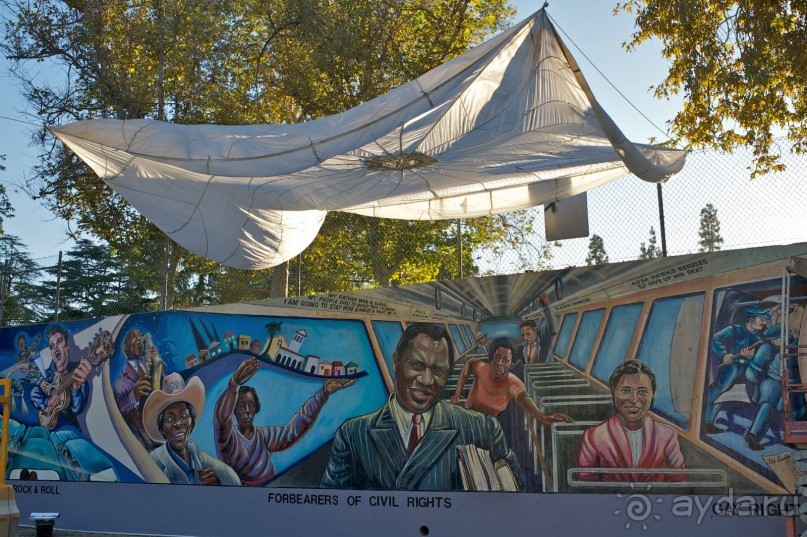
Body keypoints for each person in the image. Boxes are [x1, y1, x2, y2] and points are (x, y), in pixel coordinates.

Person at [320, 323, 524, 491]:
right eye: (417, 366)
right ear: (395, 362)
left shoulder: (482, 428)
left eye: (438, 370)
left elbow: (519, 496)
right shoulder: (353, 436)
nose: (427, 380)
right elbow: (330, 512)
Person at [450, 339, 572, 491]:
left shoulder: (513, 383)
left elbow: (523, 398)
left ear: (511, 362)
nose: (500, 363)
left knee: (505, 457)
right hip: (468, 420)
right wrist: (457, 392)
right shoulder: (481, 368)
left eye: (505, 360)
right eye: (497, 357)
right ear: (492, 357)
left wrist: (543, 418)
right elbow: (469, 363)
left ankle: (520, 487)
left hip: (490, 425)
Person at [215, 357, 356, 486]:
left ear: (256, 408)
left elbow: (293, 430)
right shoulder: (228, 439)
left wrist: (323, 394)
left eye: (251, 405)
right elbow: (221, 419)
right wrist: (234, 384)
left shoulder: (263, 436)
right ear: (233, 410)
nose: (247, 410)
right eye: (241, 406)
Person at [577, 360, 685, 482]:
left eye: (642, 392)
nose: (634, 399)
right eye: (626, 391)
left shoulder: (667, 435)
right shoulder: (594, 437)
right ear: (614, 393)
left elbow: (677, 481)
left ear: (652, 395)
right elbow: (586, 484)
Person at [143, 374, 240, 485]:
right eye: (169, 418)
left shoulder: (196, 455)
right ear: (162, 428)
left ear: (191, 421)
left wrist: (217, 484)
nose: (178, 423)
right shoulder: (154, 462)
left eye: (184, 415)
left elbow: (233, 480)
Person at [703, 306, 769, 434]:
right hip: (732, 367)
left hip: (746, 369)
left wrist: (751, 356)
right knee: (718, 391)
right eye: (762, 319)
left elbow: (757, 355)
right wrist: (724, 354)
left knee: (733, 395)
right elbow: (714, 338)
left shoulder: (758, 337)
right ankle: (706, 422)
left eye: (765, 320)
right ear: (751, 319)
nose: (764, 323)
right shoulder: (734, 329)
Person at [744, 324, 805, 450]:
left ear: (783, 337)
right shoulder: (768, 348)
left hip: (794, 385)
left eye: (774, 339)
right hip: (773, 382)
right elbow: (753, 372)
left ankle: (794, 438)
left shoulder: (799, 346)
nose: (772, 341)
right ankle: (753, 435)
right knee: (767, 407)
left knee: (797, 411)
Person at [30, 324, 92, 431]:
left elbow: (77, 409)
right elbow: (34, 393)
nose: (55, 348)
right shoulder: (48, 374)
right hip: (48, 427)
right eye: (52, 346)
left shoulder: (77, 370)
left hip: (69, 428)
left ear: (67, 345)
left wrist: (76, 388)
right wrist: (48, 402)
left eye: (59, 342)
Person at [114, 329, 164, 451]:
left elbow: (167, 385)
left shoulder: (151, 363)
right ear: (125, 347)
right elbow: (116, 415)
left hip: (163, 429)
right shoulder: (119, 383)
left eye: (140, 335)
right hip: (144, 440)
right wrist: (134, 395)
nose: (138, 338)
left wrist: (157, 365)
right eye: (133, 335)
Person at [518, 293, 558, 365]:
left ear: (535, 330)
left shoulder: (543, 337)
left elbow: (553, 330)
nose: (525, 338)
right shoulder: (523, 346)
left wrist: (546, 306)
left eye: (528, 334)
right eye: (523, 335)